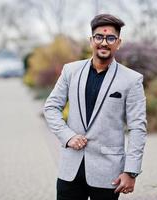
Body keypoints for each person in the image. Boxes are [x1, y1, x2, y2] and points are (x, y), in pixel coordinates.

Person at [43, 14, 147, 200]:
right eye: (99, 37)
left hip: (109, 172)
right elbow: (51, 107)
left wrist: (131, 171)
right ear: (91, 40)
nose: (104, 43)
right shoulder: (70, 71)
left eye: (110, 38)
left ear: (118, 42)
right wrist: (68, 136)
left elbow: (137, 127)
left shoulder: (132, 80)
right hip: (70, 170)